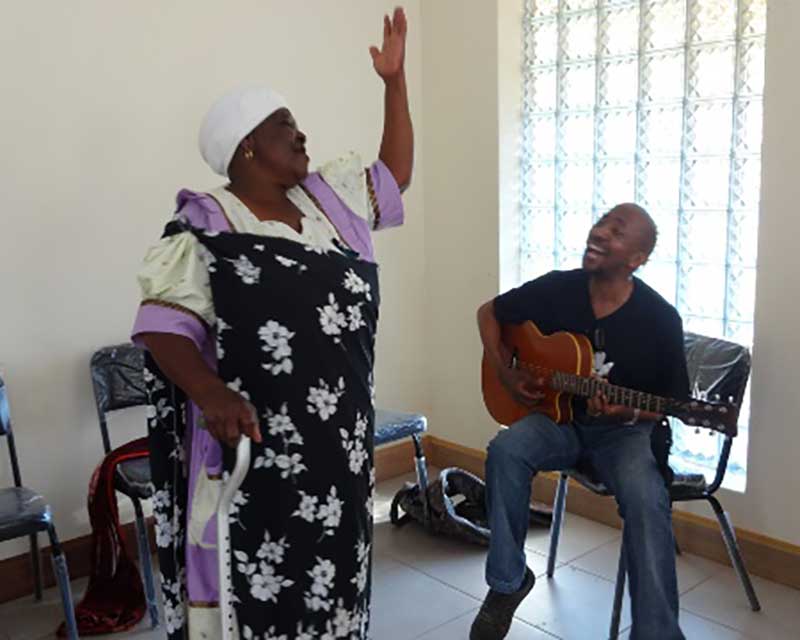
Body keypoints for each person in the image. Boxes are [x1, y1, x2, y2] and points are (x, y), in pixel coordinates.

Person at [132, 9, 412, 639]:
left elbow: (395, 177)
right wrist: (210, 393)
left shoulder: (328, 201)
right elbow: (160, 323)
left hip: (339, 441)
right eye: (286, 125)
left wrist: (393, 83)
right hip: (256, 449)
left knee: (336, 579)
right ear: (247, 144)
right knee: (259, 584)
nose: (302, 134)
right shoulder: (207, 223)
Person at [471, 203, 689, 640]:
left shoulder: (659, 319)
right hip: (560, 420)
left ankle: (657, 633)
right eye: (602, 222)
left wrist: (627, 411)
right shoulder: (558, 289)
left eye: (618, 230)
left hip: (623, 434)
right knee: (506, 449)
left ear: (636, 259)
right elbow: (489, 313)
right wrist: (506, 373)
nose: (602, 231)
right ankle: (508, 583)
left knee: (647, 500)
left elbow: (675, 405)